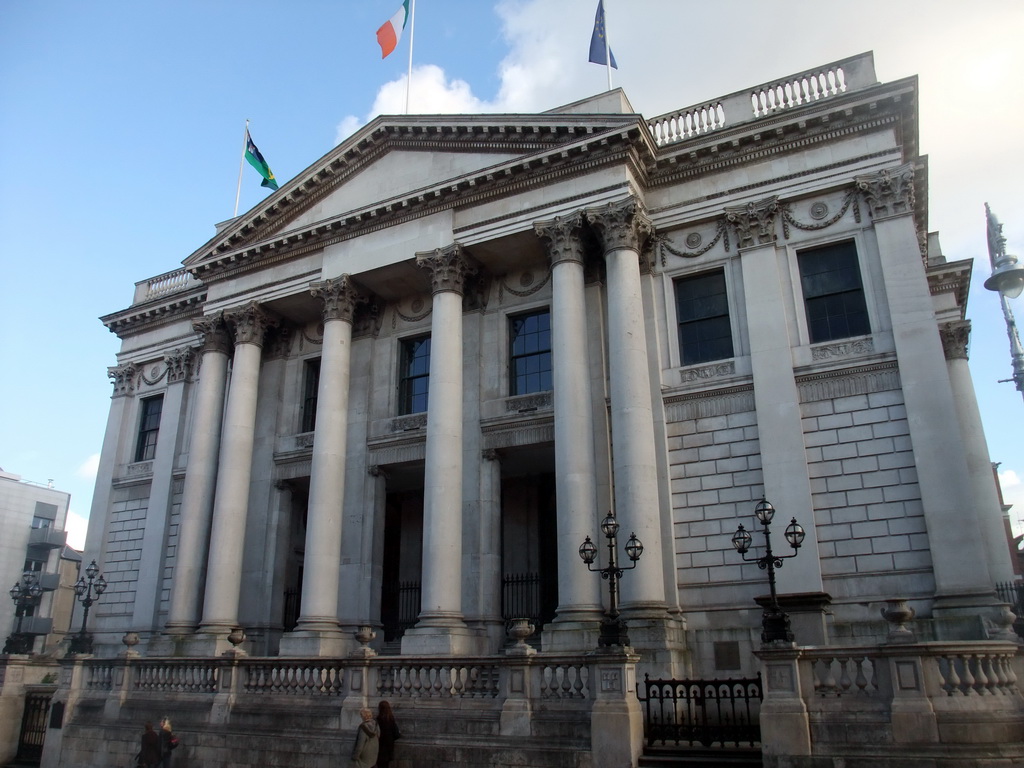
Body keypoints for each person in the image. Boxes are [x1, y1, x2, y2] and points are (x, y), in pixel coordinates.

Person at [375, 700, 401, 768]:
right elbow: (397, 734)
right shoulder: (391, 720)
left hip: (379, 748)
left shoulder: (378, 720)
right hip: (388, 748)